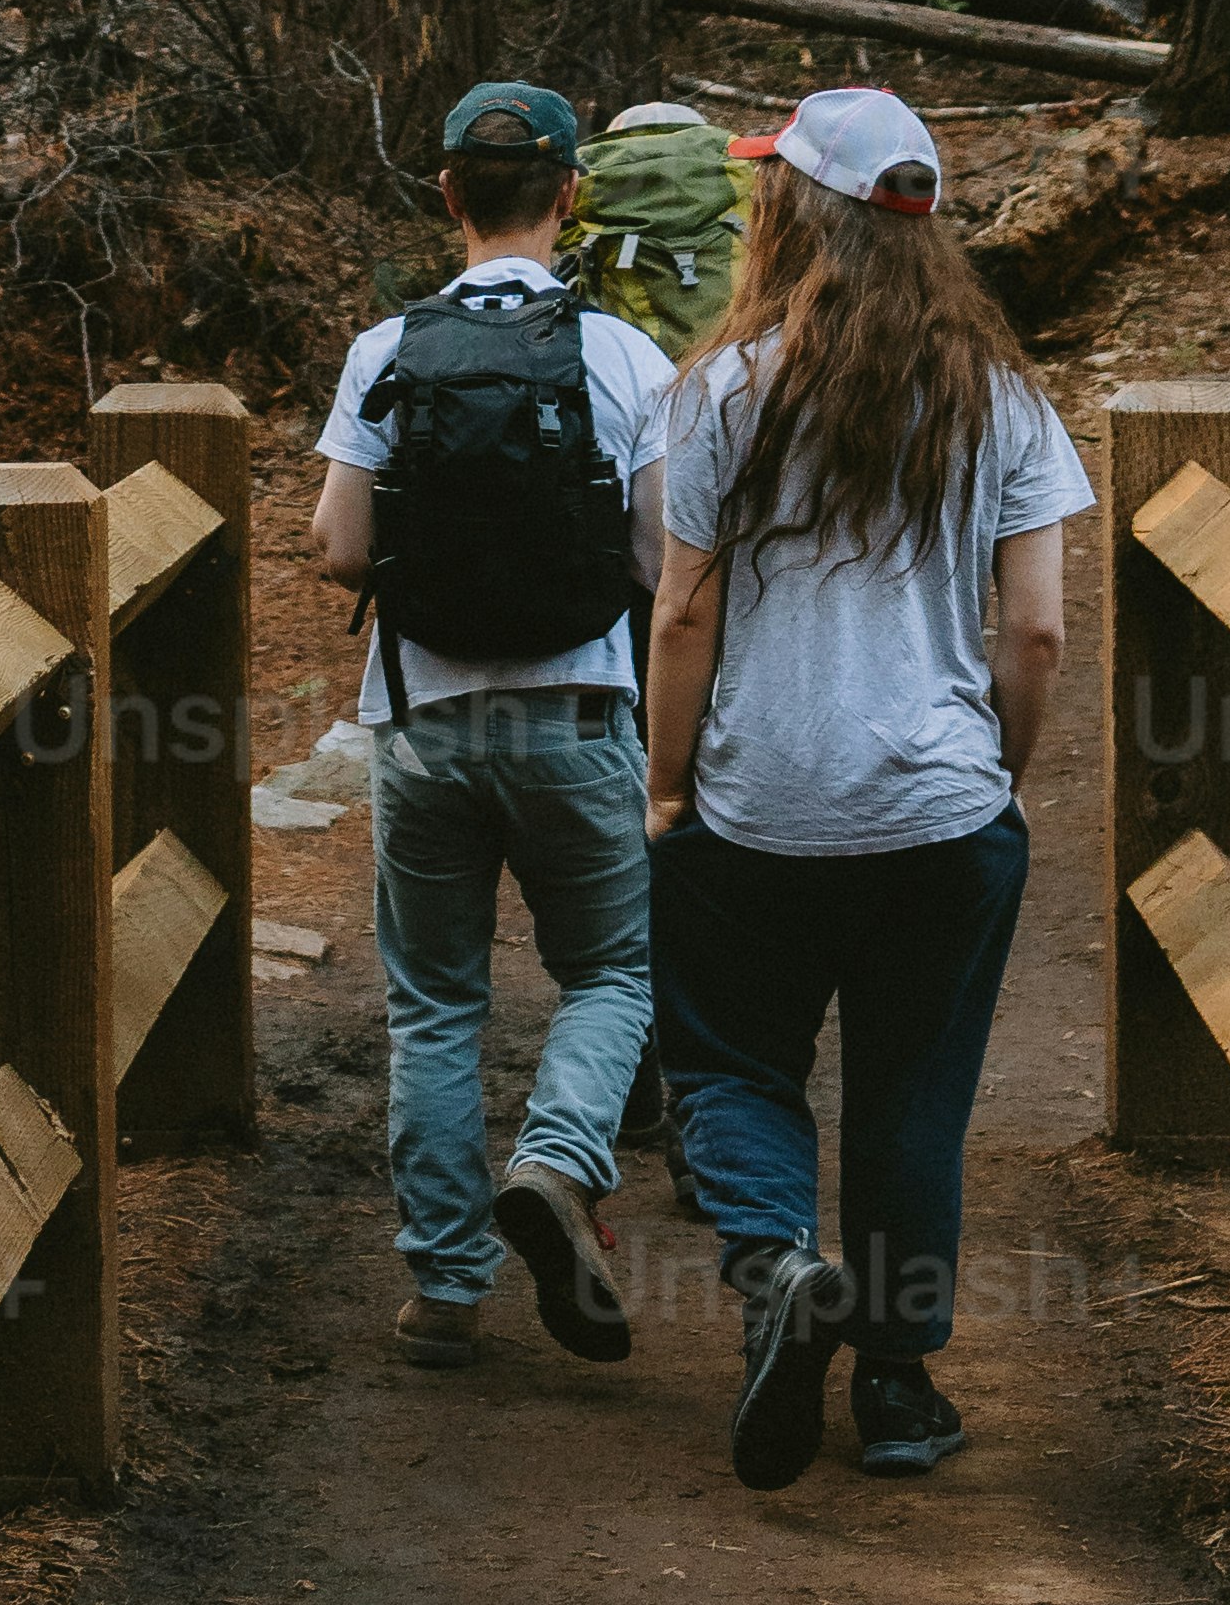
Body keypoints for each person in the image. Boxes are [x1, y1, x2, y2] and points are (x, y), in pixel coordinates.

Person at [642, 81, 1086, 1492]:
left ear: (795, 209)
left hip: (756, 805)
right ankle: (897, 1390)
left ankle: (777, 1267)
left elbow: (683, 618)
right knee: (913, 1091)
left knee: (728, 1057)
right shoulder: (1002, 401)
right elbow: (1037, 631)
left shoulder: (718, 391)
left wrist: (666, 789)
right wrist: (994, 777)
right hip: (941, 813)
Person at [311, 73, 679, 1376]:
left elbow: (340, 551)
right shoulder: (628, 357)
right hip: (579, 716)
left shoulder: (385, 352)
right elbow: (660, 561)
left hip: (421, 726)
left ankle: (447, 1290)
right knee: (615, 972)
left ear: (449, 195)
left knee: (433, 1005)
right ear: (569, 196)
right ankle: (562, 1159)